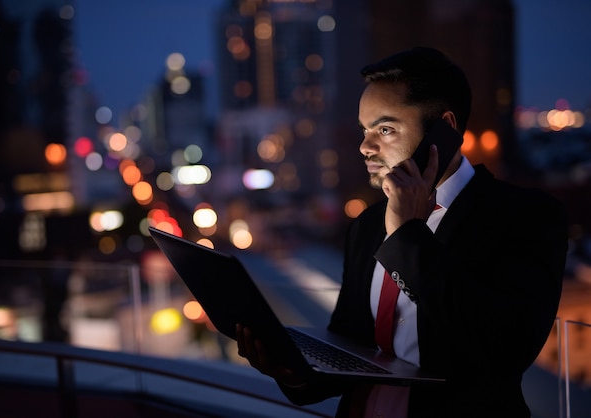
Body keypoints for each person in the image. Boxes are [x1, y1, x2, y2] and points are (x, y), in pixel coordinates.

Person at [236, 47, 569, 417]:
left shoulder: (525, 216)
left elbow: (502, 352)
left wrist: (406, 234)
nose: (365, 146)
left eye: (385, 129)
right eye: (365, 130)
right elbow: (349, 356)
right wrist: (287, 370)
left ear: (445, 129)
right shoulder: (366, 225)